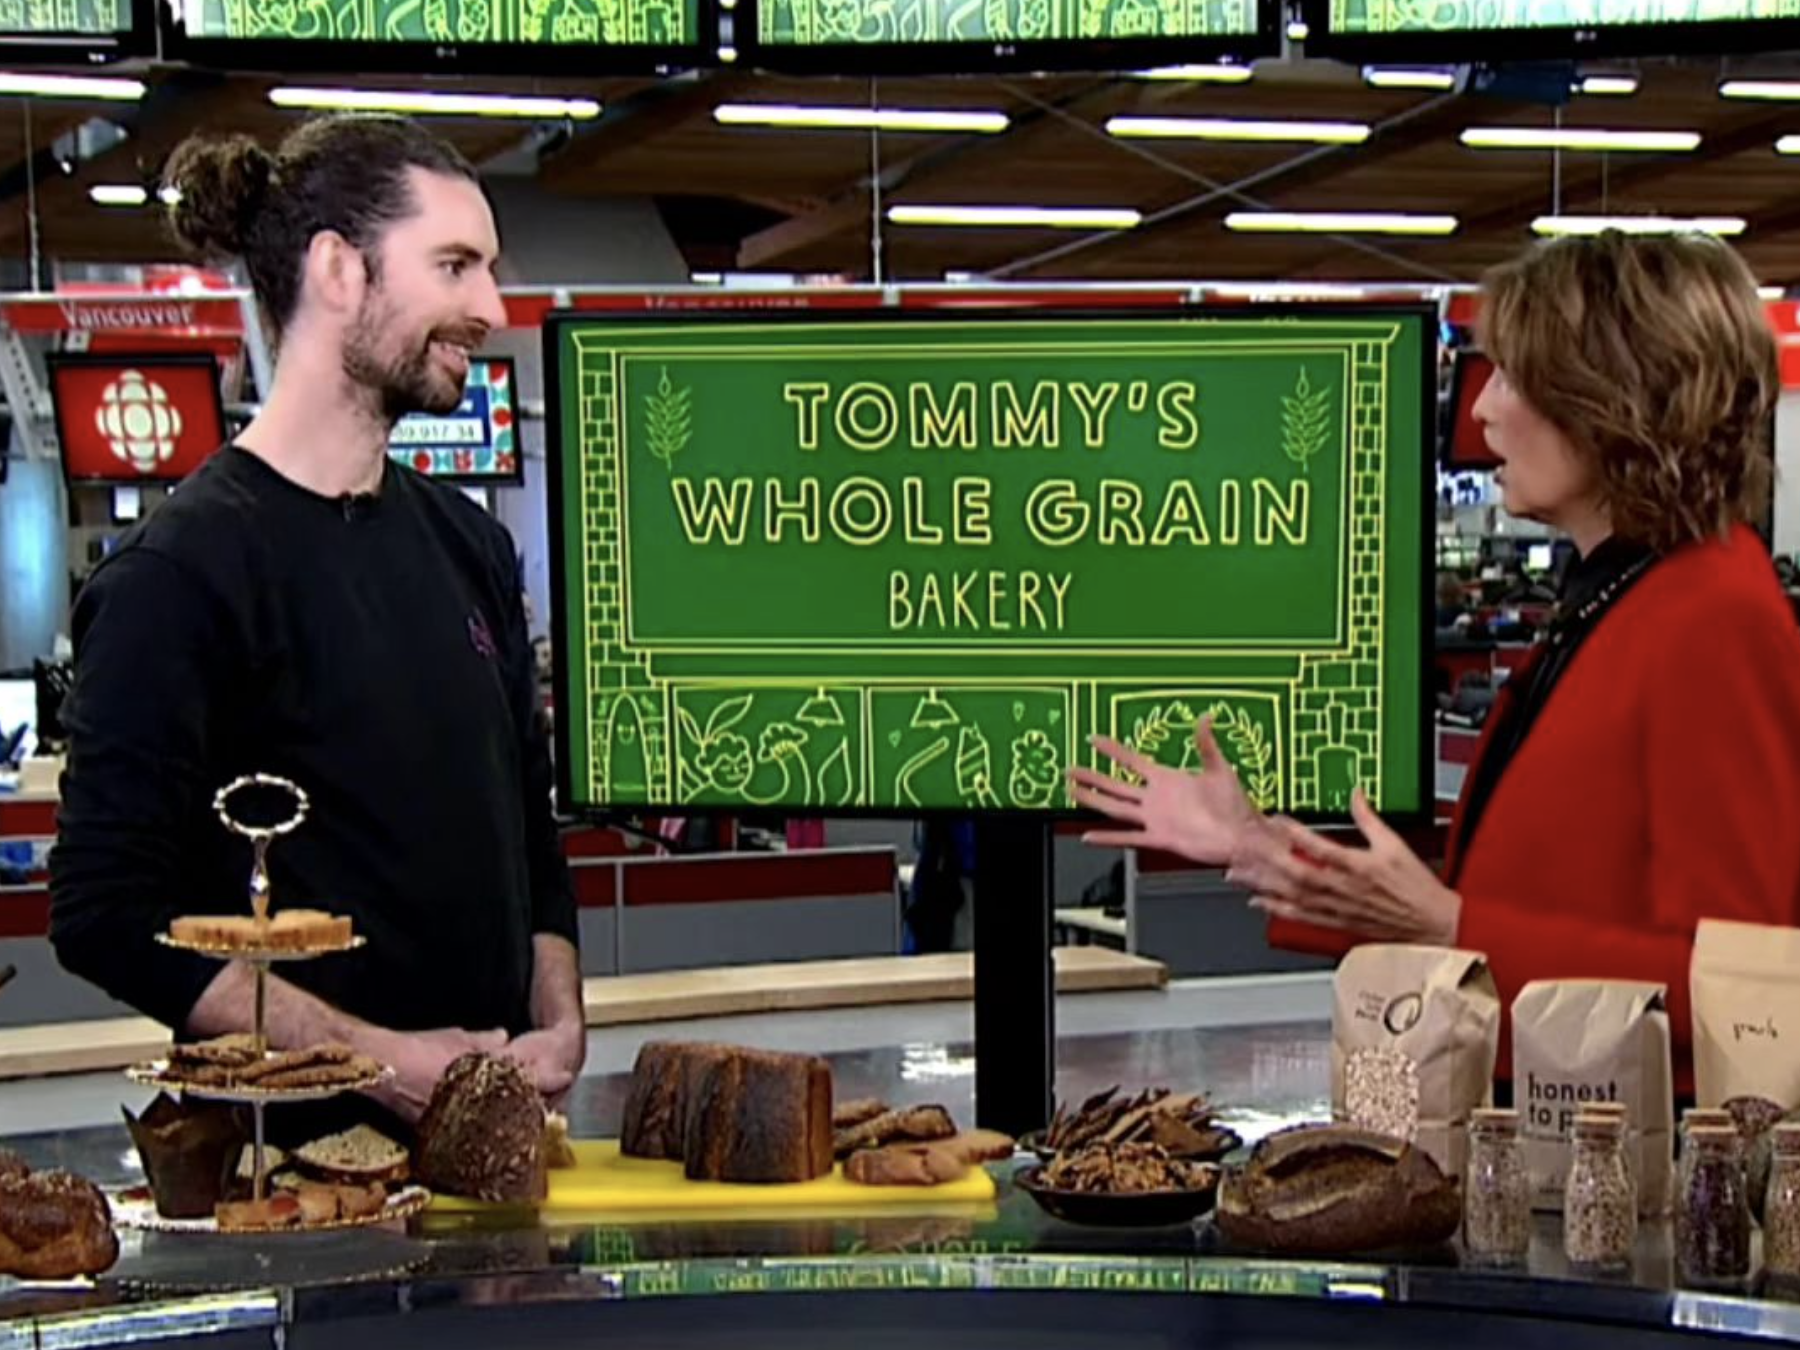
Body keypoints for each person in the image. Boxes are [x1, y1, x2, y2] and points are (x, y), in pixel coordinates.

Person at [1070, 231, 1800, 1089]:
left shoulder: (1711, 616)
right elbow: (1535, 903)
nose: (1484, 413)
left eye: (1515, 378)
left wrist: (1449, 924)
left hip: (1625, 1173)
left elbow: (1745, 992)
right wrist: (1255, 843)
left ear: (1615, 399)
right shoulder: (1630, 594)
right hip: (1551, 1138)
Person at [48, 116, 584, 1126]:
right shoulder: (183, 573)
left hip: (498, 1172)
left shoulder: (470, 546)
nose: (490, 306)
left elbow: (530, 841)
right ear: (340, 269)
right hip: (291, 1198)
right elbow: (105, 913)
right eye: (455, 264)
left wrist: (557, 1014)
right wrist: (377, 1062)